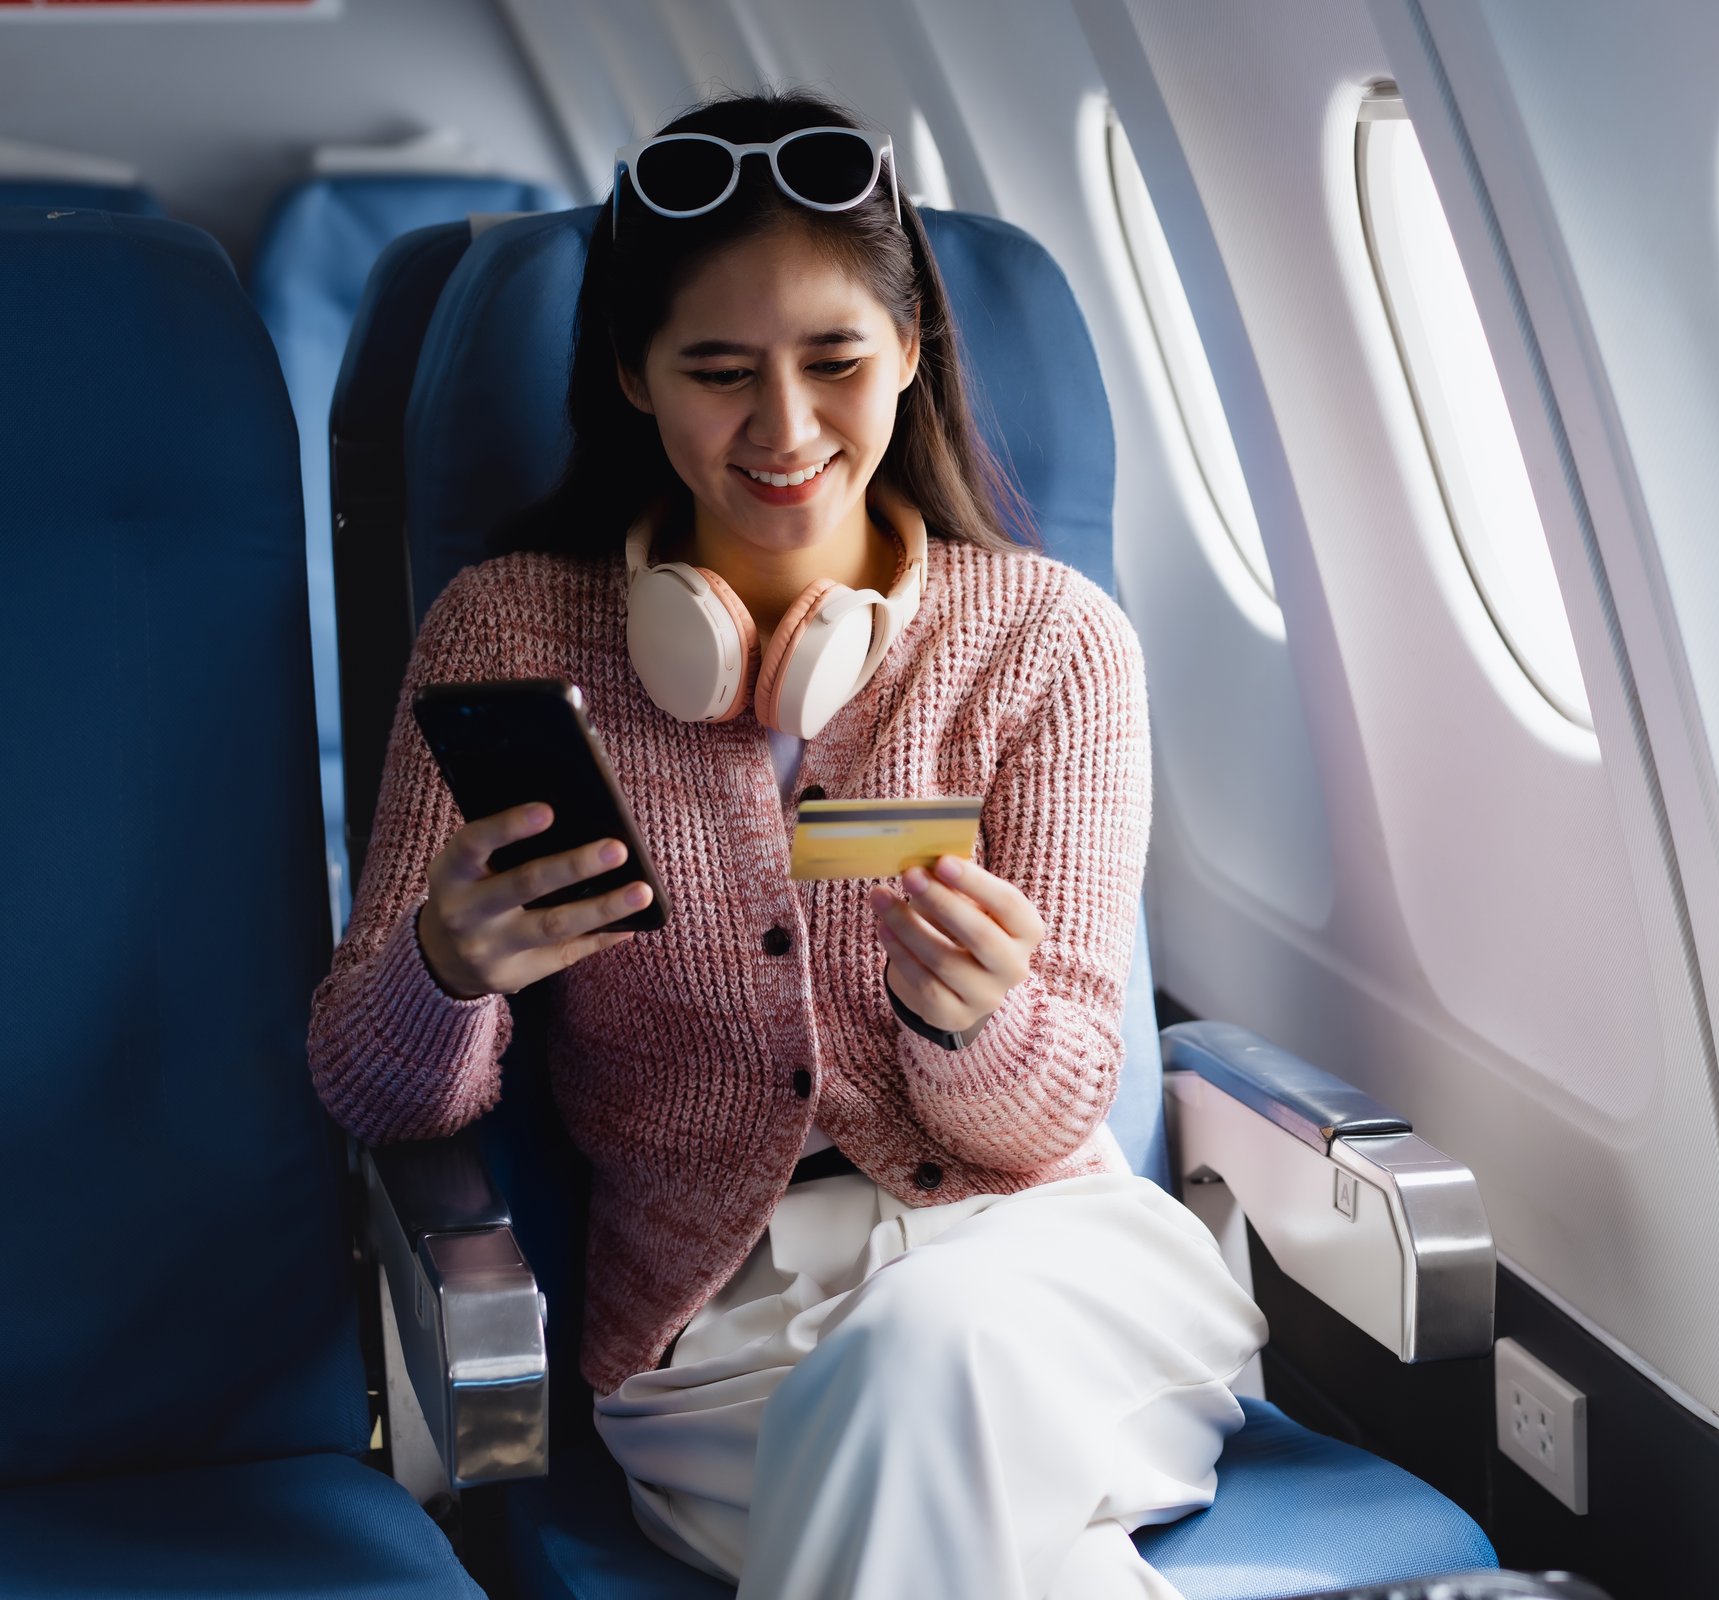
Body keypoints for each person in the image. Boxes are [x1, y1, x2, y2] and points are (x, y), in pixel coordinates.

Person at [307, 89, 1266, 1599]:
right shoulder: (507, 632)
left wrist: (968, 1021)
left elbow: (1059, 1104)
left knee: (927, 1355)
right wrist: (444, 967)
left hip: (1054, 1282)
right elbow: (364, 1079)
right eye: (717, 371)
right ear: (632, 375)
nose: (786, 429)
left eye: (835, 363)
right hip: (719, 1350)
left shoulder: (1047, 643)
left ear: (911, 356)